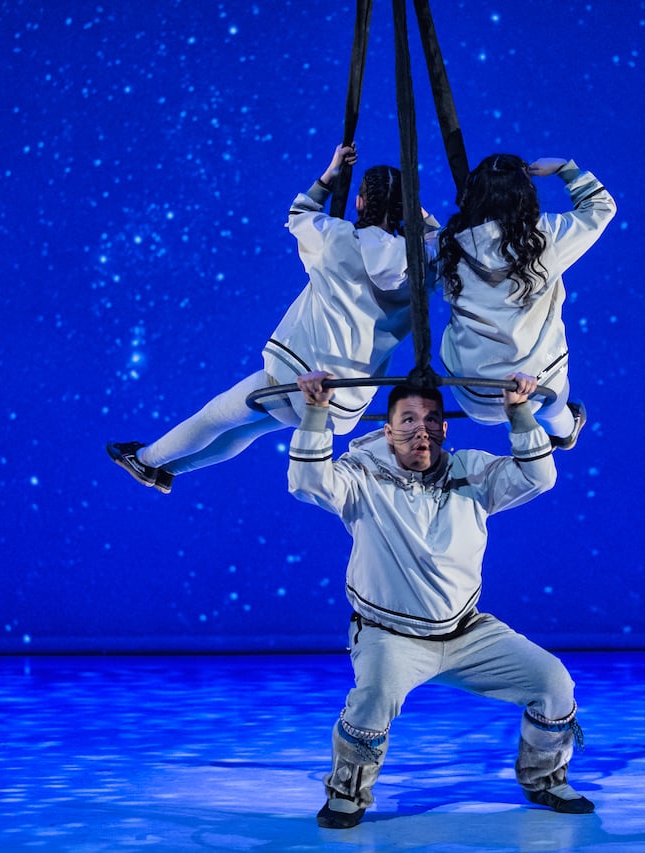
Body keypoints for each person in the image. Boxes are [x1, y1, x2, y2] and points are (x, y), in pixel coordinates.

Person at [288, 369, 593, 828]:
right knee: (372, 700)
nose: (421, 429)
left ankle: (544, 779)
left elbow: (539, 477)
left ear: (444, 429)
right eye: (407, 420)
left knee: (554, 683)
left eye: (431, 419)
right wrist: (315, 414)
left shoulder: (472, 471)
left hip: (467, 632)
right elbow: (307, 483)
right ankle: (347, 791)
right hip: (390, 637)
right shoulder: (360, 478)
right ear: (387, 430)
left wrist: (519, 413)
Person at [107, 141, 440, 493]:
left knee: (219, 414)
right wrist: (416, 213)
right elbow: (441, 241)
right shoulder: (420, 262)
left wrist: (330, 174)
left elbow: (299, 213)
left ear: (359, 202)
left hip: (299, 374)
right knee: (250, 427)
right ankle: (169, 469)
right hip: (346, 401)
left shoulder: (336, 238)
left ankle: (145, 459)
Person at [437, 154, 616, 449]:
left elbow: (422, 259)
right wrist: (566, 170)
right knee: (556, 399)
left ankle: (559, 425)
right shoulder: (545, 237)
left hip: (473, 392)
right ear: (524, 194)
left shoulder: (450, 245)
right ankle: (564, 431)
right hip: (535, 389)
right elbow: (601, 208)